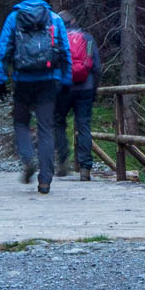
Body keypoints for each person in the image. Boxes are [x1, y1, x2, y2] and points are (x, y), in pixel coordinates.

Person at [0, 0, 71, 193]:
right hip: (48, 80)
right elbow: (65, 50)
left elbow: (4, 49)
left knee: (21, 123)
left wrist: (0, 79)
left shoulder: (14, 18)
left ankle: (28, 159)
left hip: (23, 80)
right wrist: (66, 81)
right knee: (46, 128)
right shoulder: (54, 18)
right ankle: (45, 179)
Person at [51, 14, 101, 180]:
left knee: (58, 123)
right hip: (85, 87)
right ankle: (85, 167)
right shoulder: (87, 38)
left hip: (63, 87)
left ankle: (63, 161)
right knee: (83, 125)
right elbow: (96, 67)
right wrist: (94, 88)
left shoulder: (57, 39)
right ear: (74, 21)